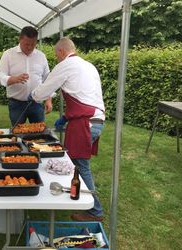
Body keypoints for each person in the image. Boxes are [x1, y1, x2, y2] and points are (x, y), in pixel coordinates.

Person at [30, 37, 105, 221]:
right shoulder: (88, 66)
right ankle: (77, 196)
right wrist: (65, 117)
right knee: (78, 164)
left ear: (62, 52)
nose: (56, 59)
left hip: (84, 123)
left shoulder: (66, 65)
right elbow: (84, 95)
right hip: (97, 120)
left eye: (56, 55)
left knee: (80, 166)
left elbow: (44, 90)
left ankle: (95, 211)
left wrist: (33, 95)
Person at [0, 26, 52, 126]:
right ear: (20, 39)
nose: (29, 47)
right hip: (16, 103)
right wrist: (13, 79)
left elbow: (47, 79)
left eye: (33, 44)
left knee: (39, 135)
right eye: (26, 44)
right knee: (18, 135)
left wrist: (48, 99)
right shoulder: (8, 54)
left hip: (37, 103)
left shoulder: (41, 56)